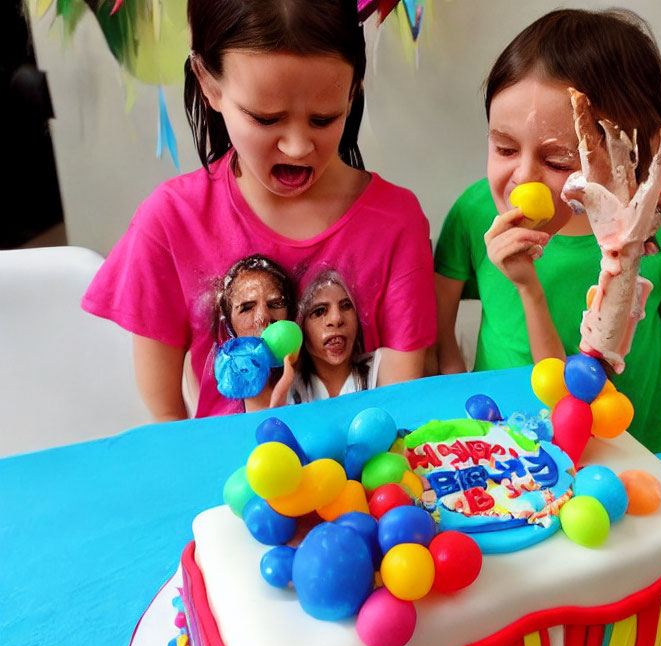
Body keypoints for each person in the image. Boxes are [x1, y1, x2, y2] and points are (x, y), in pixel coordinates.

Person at [82, 0, 435, 422]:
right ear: (209, 84)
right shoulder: (170, 222)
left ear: (354, 87)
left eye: (323, 119)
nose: (297, 146)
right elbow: (168, 420)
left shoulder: (397, 221)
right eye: (266, 119)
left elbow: (398, 402)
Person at [433, 8, 661, 453]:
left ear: (633, 152)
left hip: (633, 442)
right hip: (506, 440)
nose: (522, 179)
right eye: (504, 148)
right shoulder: (473, 212)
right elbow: (439, 327)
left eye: (559, 161)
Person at [211, 255, 297, 413]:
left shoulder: (313, 372)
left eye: (275, 304)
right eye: (247, 308)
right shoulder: (225, 386)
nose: (263, 318)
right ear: (229, 326)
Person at [288, 270, 383, 403]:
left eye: (346, 306)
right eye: (320, 311)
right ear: (301, 327)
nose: (336, 318)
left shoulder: (382, 367)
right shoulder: (288, 388)